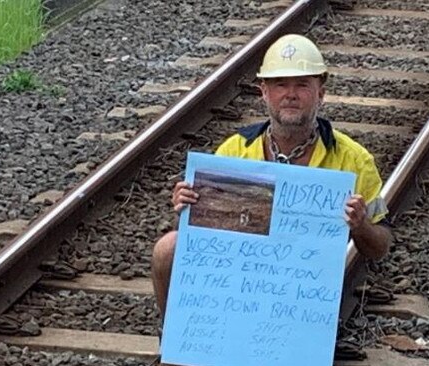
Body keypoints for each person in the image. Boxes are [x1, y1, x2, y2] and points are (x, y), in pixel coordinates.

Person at [151, 33, 392, 326]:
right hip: (237, 275)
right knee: (169, 247)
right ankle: (178, 345)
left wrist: (361, 225)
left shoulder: (354, 160)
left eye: (302, 85)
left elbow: (380, 247)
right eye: (280, 84)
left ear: (321, 93)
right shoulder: (233, 151)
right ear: (263, 92)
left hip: (305, 282)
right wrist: (188, 208)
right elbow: (200, 240)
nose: (291, 94)